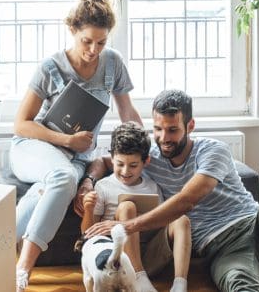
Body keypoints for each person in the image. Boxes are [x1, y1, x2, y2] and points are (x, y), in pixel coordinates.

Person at [85, 90, 259, 292]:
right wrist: (88, 182)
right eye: (158, 129)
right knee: (240, 285)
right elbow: (105, 161)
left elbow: (187, 200)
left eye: (172, 130)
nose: (164, 138)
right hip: (222, 251)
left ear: (190, 126)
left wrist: (126, 227)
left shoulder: (212, 150)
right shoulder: (150, 156)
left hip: (257, 226)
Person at [11, 0, 142, 291]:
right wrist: (67, 140)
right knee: (62, 175)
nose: (94, 49)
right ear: (72, 30)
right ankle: (23, 267)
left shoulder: (113, 64)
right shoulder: (51, 67)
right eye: (87, 41)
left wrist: (142, 145)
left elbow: (127, 112)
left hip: (76, 159)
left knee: (57, 181)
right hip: (33, 148)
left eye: (102, 42)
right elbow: (21, 124)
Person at [80, 122, 192, 292]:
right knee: (127, 207)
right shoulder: (103, 187)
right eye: (120, 164)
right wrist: (88, 209)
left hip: (152, 254)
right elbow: (88, 236)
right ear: (112, 159)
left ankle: (180, 284)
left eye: (133, 165)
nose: (125, 171)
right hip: (119, 261)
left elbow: (162, 221)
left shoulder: (153, 187)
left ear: (145, 161)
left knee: (181, 219)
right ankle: (139, 277)